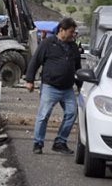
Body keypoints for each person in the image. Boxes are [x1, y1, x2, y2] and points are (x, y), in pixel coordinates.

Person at [25, 17, 81, 155]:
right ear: (62, 30)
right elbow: (35, 61)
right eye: (71, 32)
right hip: (50, 87)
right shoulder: (48, 43)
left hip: (68, 89)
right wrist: (30, 80)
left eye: (74, 32)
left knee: (72, 113)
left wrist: (81, 86)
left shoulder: (73, 47)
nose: (73, 34)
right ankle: (38, 143)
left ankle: (60, 142)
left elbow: (78, 68)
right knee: (43, 115)